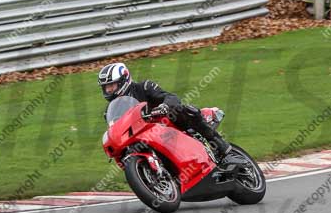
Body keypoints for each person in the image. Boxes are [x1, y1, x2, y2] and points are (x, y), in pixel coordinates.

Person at [98, 62, 232, 165]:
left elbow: (170, 97)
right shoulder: (110, 110)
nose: (108, 90)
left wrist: (164, 106)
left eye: (112, 86)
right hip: (144, 136)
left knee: (183, 109)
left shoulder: (144, 87)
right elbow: (116, 129)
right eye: (106, 87)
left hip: (166, 123)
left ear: (123, 80)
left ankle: (220, 145)